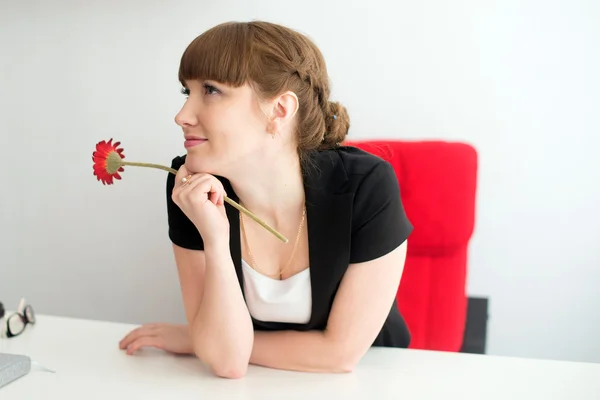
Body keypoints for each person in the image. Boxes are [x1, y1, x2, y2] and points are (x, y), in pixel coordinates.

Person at [119, 20, 413, 379]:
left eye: (210, 90)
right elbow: (226, 363)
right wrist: (213, 238)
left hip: (375, 381)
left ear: (280, 110)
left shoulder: (365, 186)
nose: (181, 116)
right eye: (187, 92)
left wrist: (199, 338)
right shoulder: (191, 187)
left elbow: (340, 356)